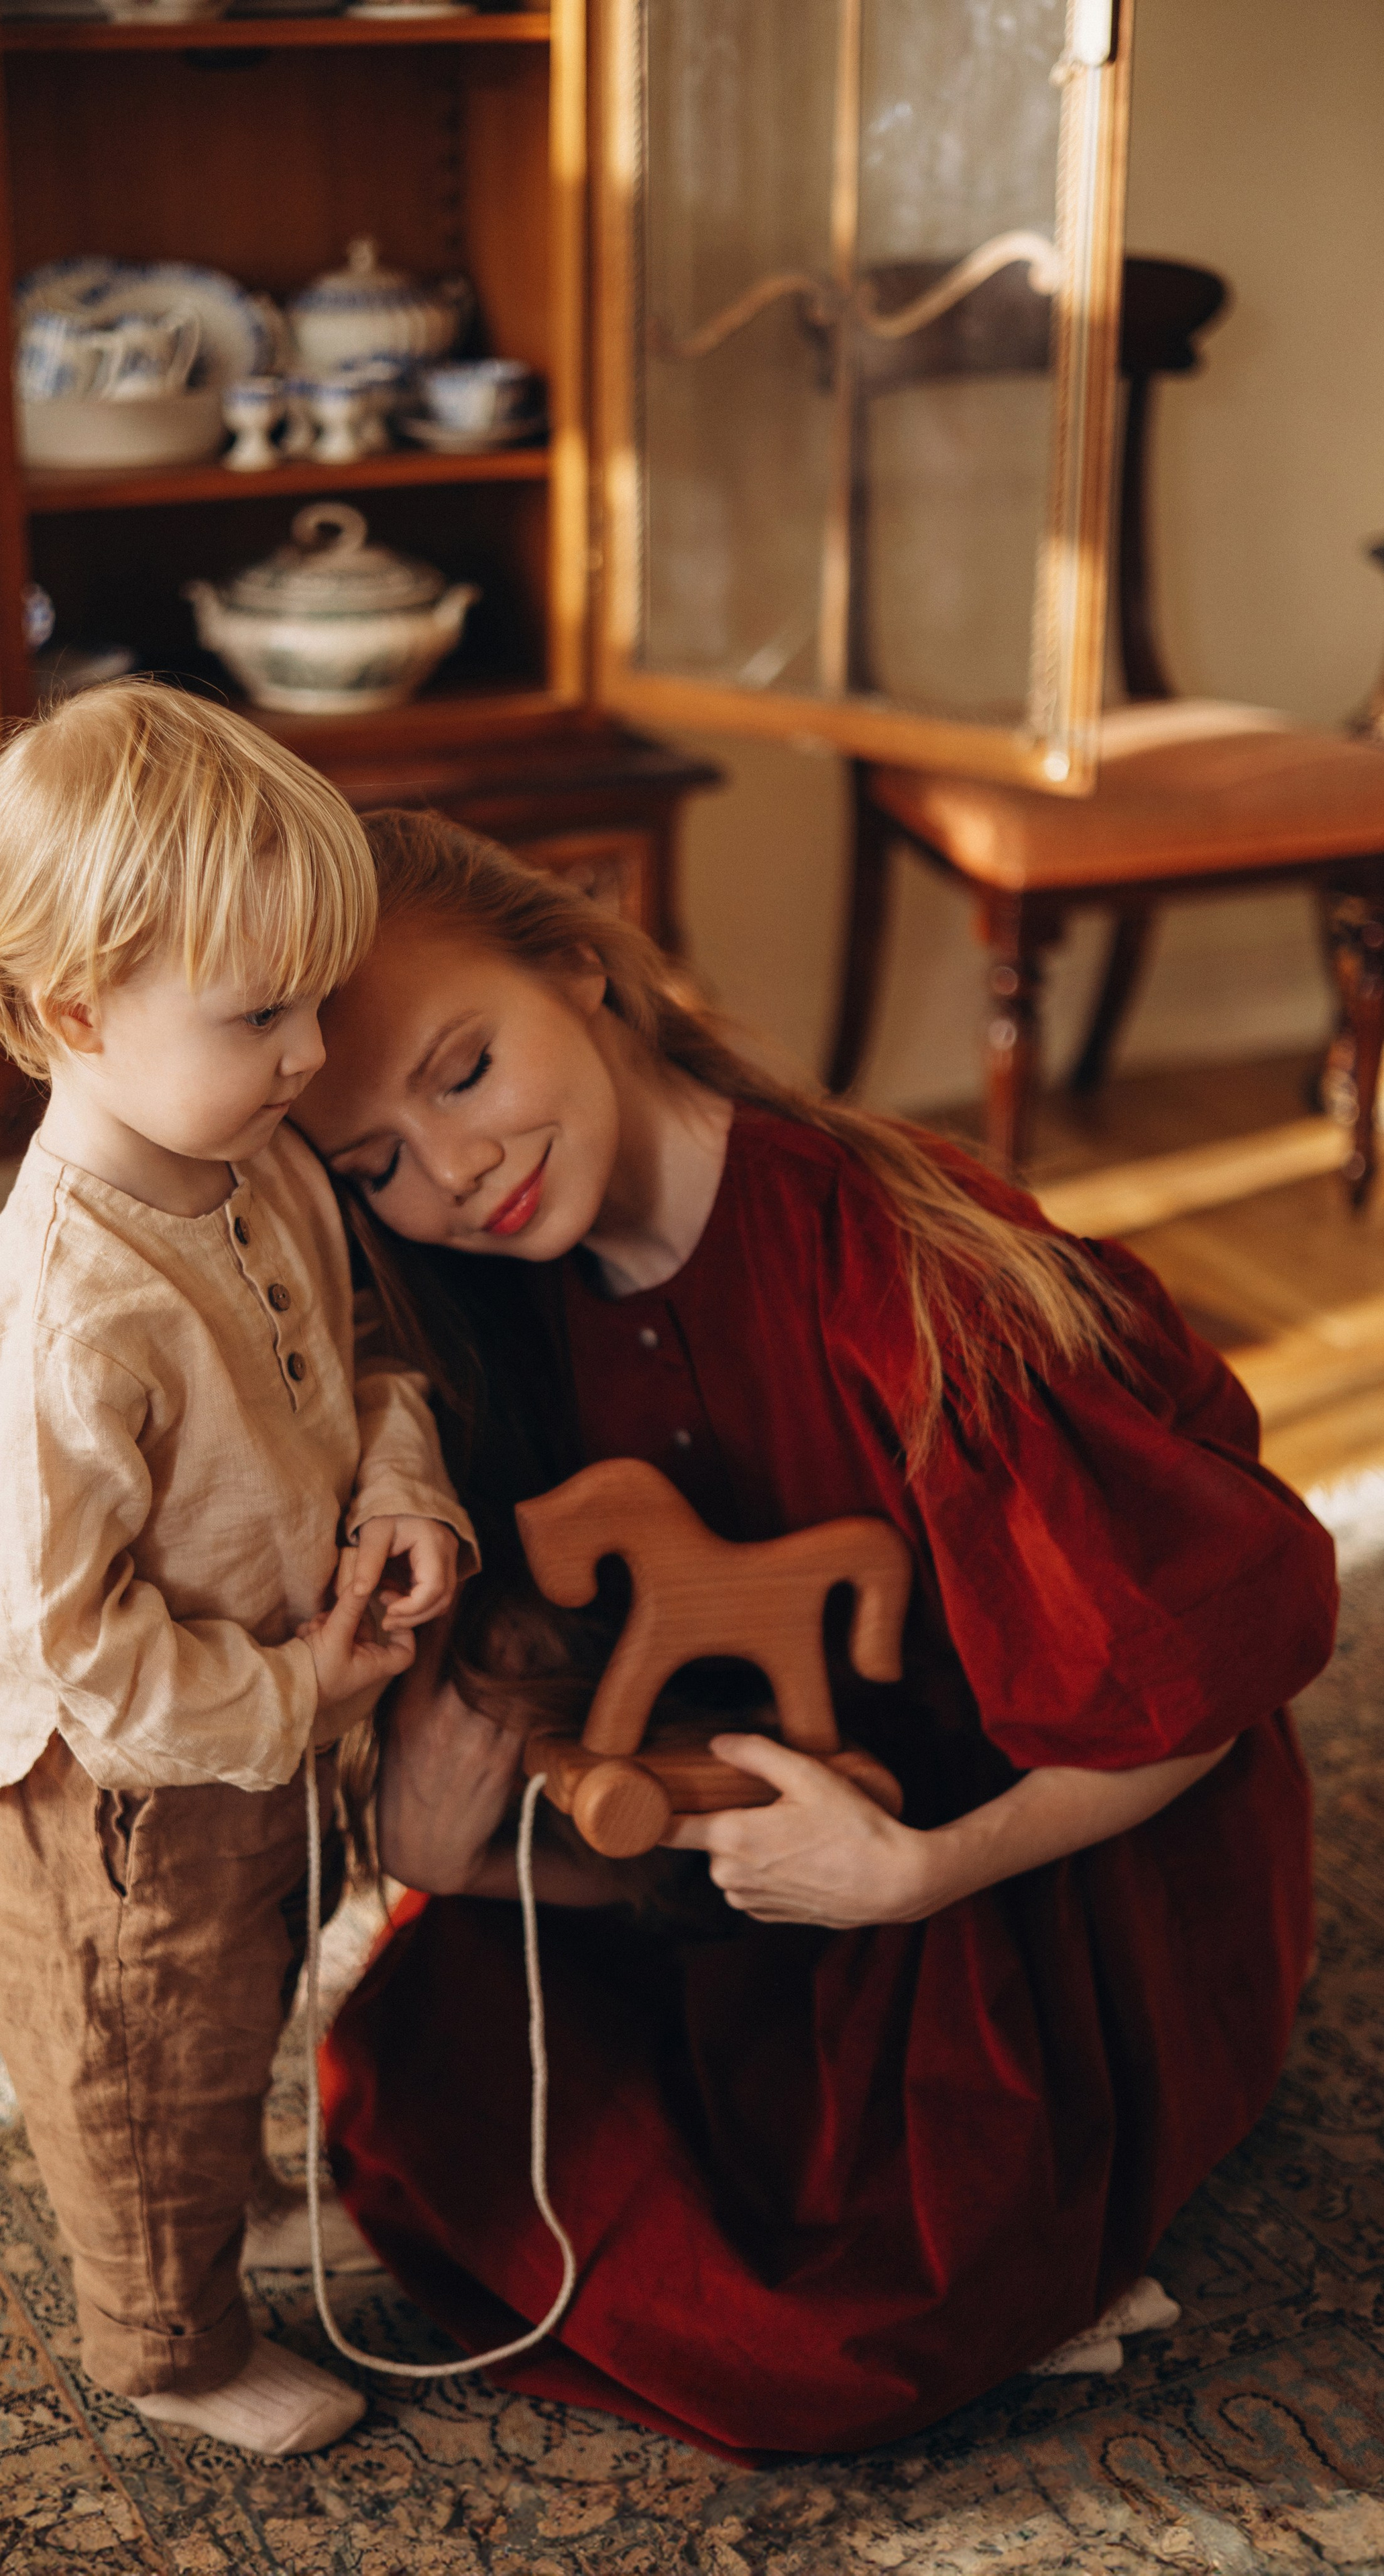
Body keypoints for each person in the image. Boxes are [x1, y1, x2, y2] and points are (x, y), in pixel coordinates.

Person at [292, 806, 1338, 2461]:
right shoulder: (486, 1311)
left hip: (1027, 1837)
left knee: (840, 2323)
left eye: (464, 1069)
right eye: (375, 1165)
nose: (454, 1166)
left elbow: (1186, 1698)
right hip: (752, 1827)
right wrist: (466, 1848)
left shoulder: (903, 1272)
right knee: (422, 2100)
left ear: (580, 971)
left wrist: (918, 1873)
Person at [0, 690, 474, 2458]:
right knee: (142, 2049)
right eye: (261, 1012)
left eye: (318, 996)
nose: (315, 1049)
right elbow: (76, 1653)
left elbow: (369, 1357)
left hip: (263, 1715)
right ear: (75, 1015)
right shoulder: (62, 1314)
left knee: (246, 1984)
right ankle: (165, 2334)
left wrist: (399, 1489)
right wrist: (296, 1690)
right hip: (113, 1790)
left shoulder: (256, 1161)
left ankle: (224, 2187)